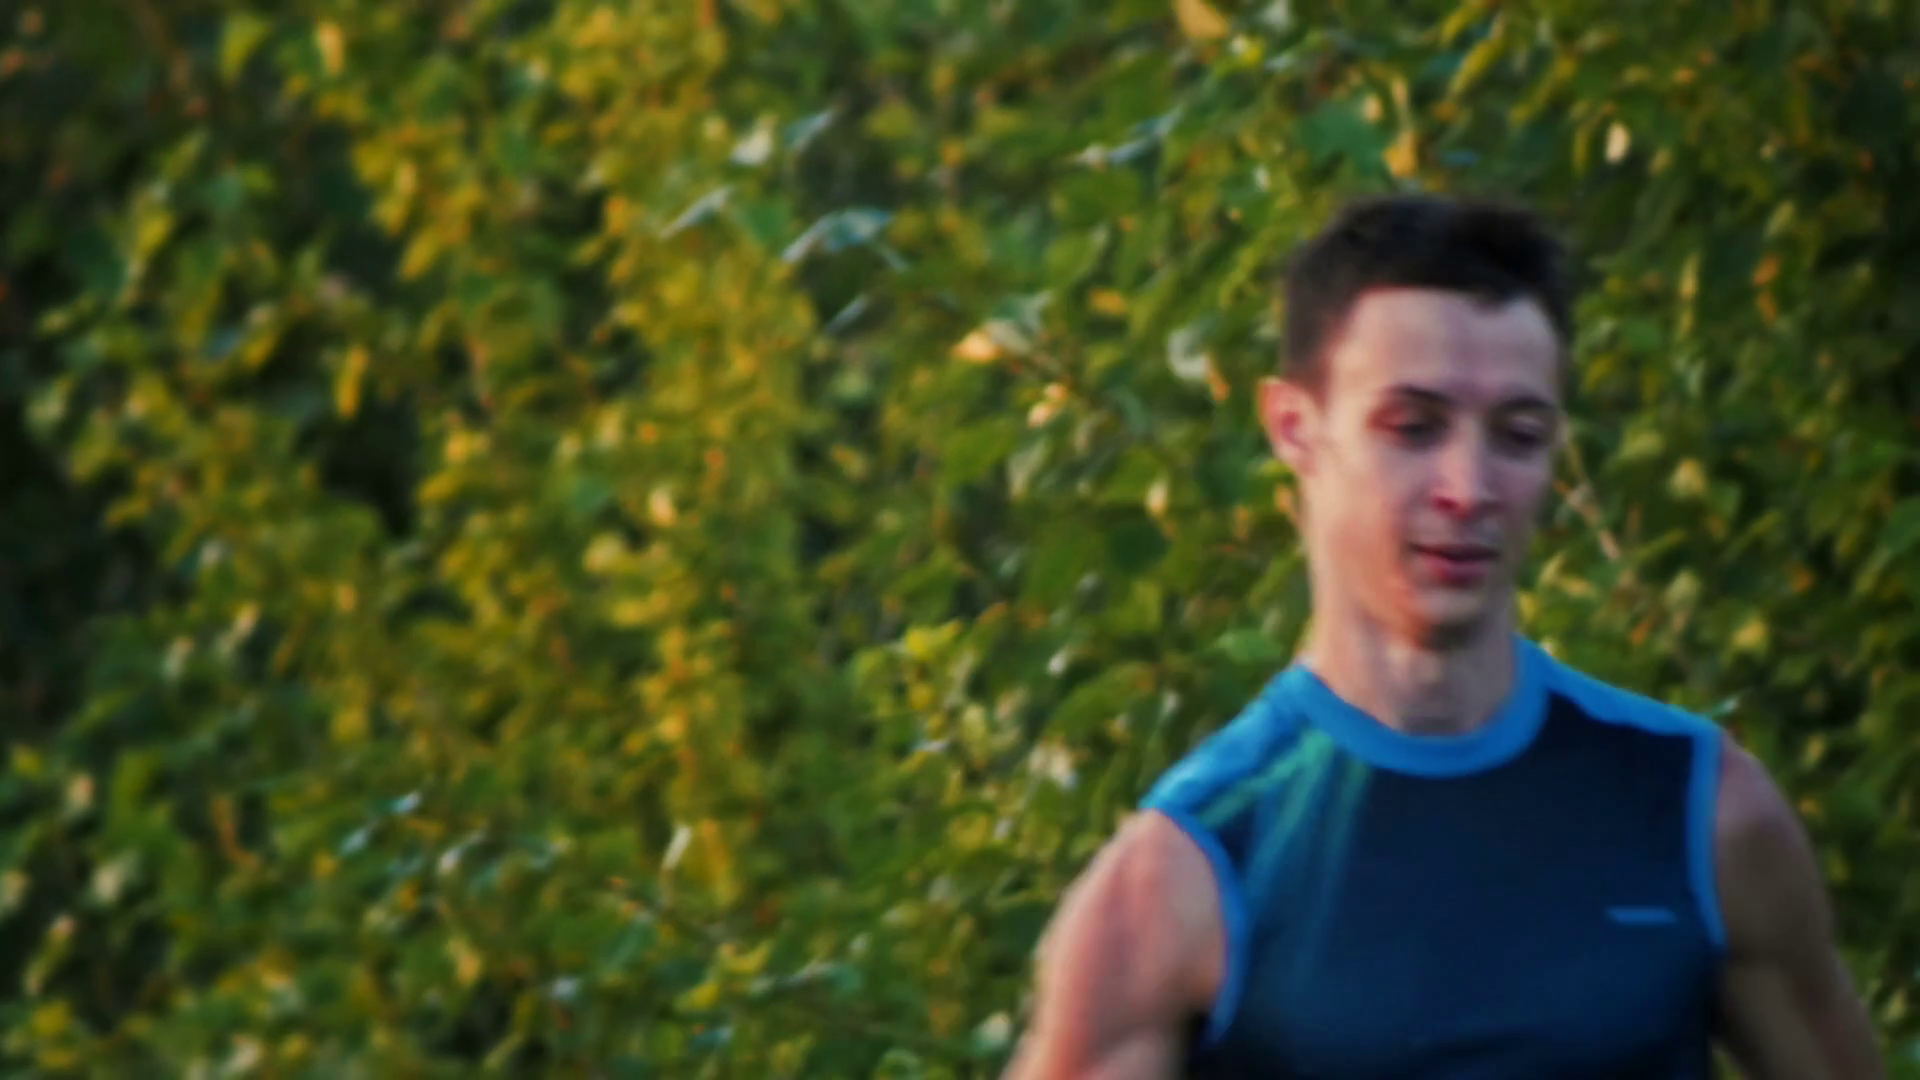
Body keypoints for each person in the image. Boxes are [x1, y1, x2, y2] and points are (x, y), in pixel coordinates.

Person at [1003, 194, 1884, 1078]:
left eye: (1518, 436)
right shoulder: (1180, 880)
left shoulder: (1702, 812)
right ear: (1295, 429)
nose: (1468, 487)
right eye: (1413, 428)